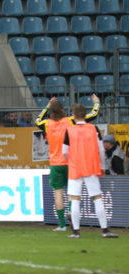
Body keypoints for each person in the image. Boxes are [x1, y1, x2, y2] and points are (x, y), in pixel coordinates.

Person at [36, 95, 100, 231]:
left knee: (58, 193)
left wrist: (47, 106)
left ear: (51, 112)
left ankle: (62, 225)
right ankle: (72, 214)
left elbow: (37, 120)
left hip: (55, 163)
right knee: (72, 193)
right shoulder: (70, 121)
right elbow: (92, 115)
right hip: (70, 162)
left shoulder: (47, 124)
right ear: (63, 110)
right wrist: (97, 103)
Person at [62, 104, 118, 238]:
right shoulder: (94, 128)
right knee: (97, 198)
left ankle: (76, 232)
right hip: (91, 167)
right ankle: (105, 230)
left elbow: (64, 151)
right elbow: (101, 149)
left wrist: (72, 160)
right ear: (85, 115)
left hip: (75, 168)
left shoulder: (69, 130)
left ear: (74, 115)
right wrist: (102, 167)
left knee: (75, 199)